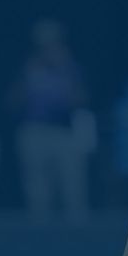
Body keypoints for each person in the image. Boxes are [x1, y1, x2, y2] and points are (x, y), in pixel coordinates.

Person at [10, 19, 91, 222]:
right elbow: (12, 102)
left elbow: (81, 100)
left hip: (64, 132)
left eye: (53, 42)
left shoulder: (70, 68)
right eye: (44, 43)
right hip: (34, 131)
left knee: (72, 191)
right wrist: (30, 83)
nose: (48, 47)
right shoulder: (28, 69)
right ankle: (40, 239)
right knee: (38, 194)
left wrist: (63, 75)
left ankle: (77, 239)